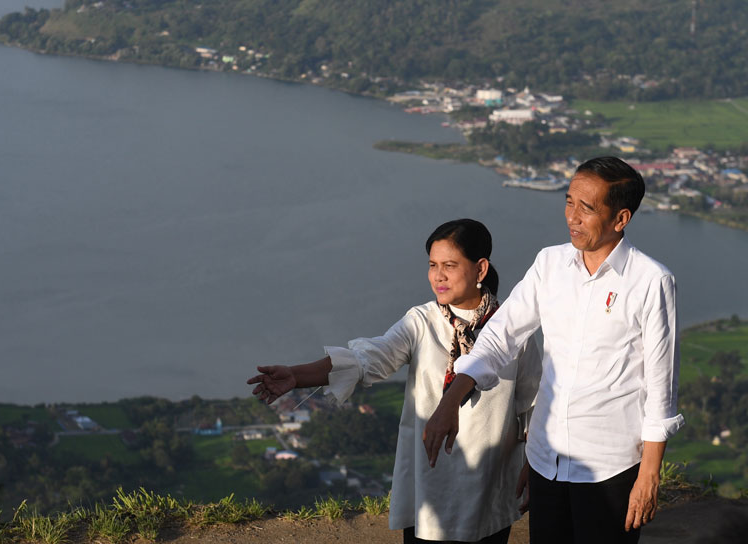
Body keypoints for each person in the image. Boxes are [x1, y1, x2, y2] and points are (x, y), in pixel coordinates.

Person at [424, 158, 685, 544]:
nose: (572, 217)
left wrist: (648, 477)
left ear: (620, 218)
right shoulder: (550, 264)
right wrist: (451, 399)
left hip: (609, 467)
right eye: (569, 202)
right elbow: (500, 335)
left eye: (587, 207)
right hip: (546, 462)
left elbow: (661, 388)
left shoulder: (651, 281)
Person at [248, 219, 541, 543]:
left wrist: (533, 464)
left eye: (449, 265)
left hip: (489, 485)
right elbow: (367, 357)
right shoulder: (422, 321)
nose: (438, 276)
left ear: (480, 268)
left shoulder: (511, 330)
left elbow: (533, 404)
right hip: (431, 482)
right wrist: (296, 375)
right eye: (432, 265)